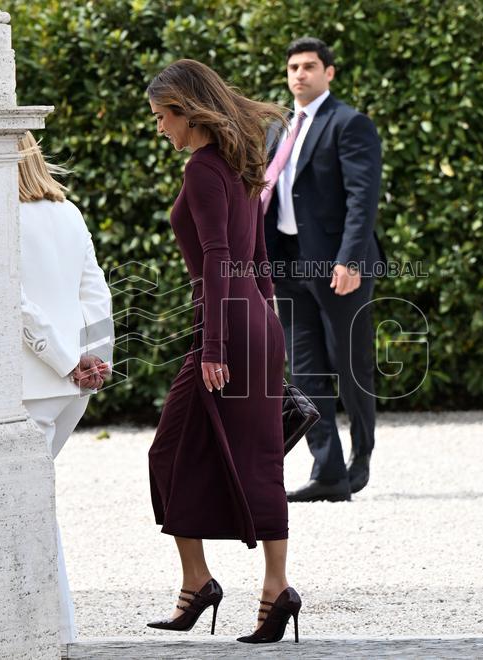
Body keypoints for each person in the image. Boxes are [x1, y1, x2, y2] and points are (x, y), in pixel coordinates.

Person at [145, 59, 302, 644]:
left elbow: (216, 256)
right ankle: (273, 589)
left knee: (167, 453)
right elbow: (257, 259)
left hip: (227, 331)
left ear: (187, 112)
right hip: (258, 323)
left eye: (163, 117)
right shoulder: (242, 165)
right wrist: (270, 327)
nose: (161, 127)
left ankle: (199, 581)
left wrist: (213, 343)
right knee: (261, 459)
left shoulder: (203, 170)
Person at [262, 37, 384, 502]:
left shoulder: (350, 124)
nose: (299, 74)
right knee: (305, 370)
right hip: (288, 262)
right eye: (293, 66)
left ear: (328, 72)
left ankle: (361, 458)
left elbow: (362, 198)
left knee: (351, 367)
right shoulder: (278, 129)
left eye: (309, 66)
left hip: (338, 266)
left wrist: (350, 259)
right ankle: (328, 470)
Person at [17, 131, 112, 644]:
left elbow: (15, 303)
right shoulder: (68, 212)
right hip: (71, 388)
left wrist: (66, 360)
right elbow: (96, 294)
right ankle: (59, 631)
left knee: (25, 507)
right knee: (36, 504)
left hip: (31, 383)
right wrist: (95, 361)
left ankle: (50, 634)